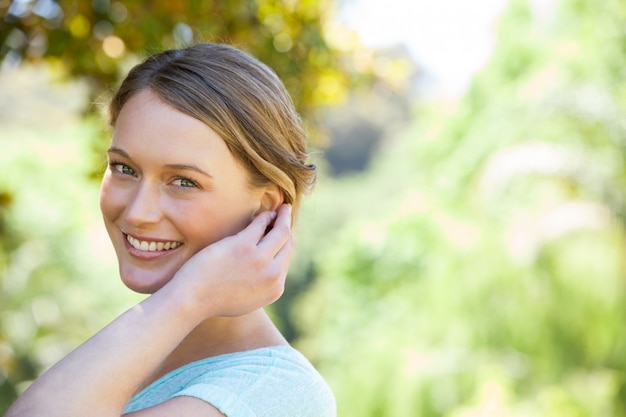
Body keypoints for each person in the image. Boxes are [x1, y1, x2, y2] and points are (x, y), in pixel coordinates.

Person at [6, 42, 336, 417]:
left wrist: (189, 296)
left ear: (266, 206)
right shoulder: (132, 356)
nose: (138, 213)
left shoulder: (277, 395)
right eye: (124, 168)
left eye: (183, 181)